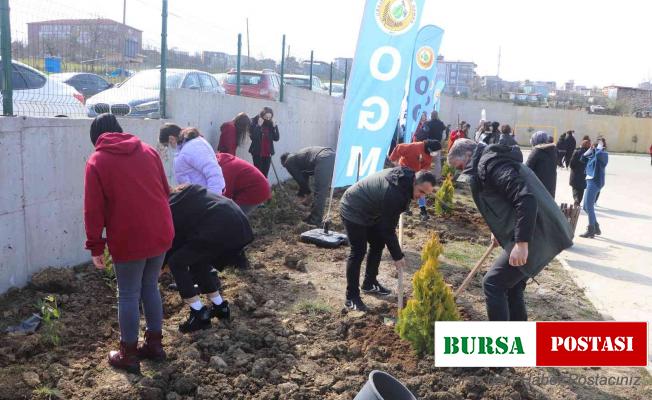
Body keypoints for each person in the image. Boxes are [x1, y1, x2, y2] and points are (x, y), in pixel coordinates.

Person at [84, 114, 174, 373]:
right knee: (150, 286)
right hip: (160, 231)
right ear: (120, 130)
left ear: (96, 139)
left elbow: (93, 210)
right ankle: (155, 345)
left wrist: (95, 246)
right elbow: (165, 190)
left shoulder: (97, 161)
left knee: (128, 293)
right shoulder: (147, 150)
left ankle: (129, 353)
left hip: (129, 237)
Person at [447, 139, 573, 321]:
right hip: (538, 228)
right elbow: (506, 201)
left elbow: (525, 199)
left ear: (468, 155)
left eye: (460, 166)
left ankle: (501, 343)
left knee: (493, 284)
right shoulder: (489, 162)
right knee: (512, 286)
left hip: (537, 231)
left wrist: (521, 244)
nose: (461, 171)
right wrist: (497, 230)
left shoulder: (492, 164)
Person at [339, 167, 437, 311]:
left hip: (373, 209)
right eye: (421, 192)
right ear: (414, 181)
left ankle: (369, 283)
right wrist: (397, 256)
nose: (422, 197)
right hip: (353, 207)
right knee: (358, 251)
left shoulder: (406, 182)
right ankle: (351, 296)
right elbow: (387, 229)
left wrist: (396, 252)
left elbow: (387, 225)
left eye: (426, 195)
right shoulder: (395, 194)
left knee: (378, 243)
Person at [166, 184, 253, 332]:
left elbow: (173, 240)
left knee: (176, 262)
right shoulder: (184, 193)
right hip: (237, 219)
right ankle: (220, 307)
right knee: (198, 261)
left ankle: (199, 314)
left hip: (220, 225)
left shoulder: (171, 206)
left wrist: (162, 263)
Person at [159, 125, 225, 195]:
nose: (167, 148)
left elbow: (213, 172)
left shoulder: (193, 147)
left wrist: (213, 198)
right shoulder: (187, 147)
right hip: (200, 197)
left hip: (206, 198)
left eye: (166, 145)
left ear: (171, 139)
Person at [280, 146, 336, 226]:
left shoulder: (288, 162)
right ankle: (313, 216)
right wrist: (303, 193)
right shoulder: (298, 158)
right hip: (330, 155)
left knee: (320, 192)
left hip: (324, 158)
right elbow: (304, 179)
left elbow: (300, 180)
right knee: (319, 190)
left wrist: (308, 194)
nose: (287, 169)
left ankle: (315, 221)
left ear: (283, 162)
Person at [389, 139, 442, 220]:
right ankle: (405, 208)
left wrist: (422, 177)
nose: (434, 154)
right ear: (429, 148)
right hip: (404, 171)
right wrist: (393, 161)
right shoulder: (414, 147)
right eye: (434, 151)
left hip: (416, 174)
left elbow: (425, 167)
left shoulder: (429, 155)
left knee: (421, 191)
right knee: (405, 190)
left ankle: (423, 211)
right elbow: (399, 148)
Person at [579, 138, 609, 238]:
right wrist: (590, 150)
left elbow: (600, 157)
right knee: (585, 207)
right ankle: (596, 227)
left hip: (595, 182)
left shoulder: (603, 154)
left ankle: (591, 229)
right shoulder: (594, 153)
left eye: (596, 146)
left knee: (589, 206)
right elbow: (582, 159)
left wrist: (599, 148)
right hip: (590, 180)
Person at [249, 107, 280, 177]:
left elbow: (276, 138)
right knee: (258, 175)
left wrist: (275, 127)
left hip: (267, 154)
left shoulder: (270, 124)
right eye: (266, 117)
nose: (268, 119)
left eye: (270, 117)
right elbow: (253, 137)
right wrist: (258, 126)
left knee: (265, 174)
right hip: (257, 153)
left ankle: (263, 188)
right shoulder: (254, 122)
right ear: (262, 115)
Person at [415, 110, 447, 179]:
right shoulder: (440, 123)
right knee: (437, 161)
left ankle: (422, 176)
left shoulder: (428, 123)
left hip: (428, 145)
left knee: (425, 160)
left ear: (431, 116)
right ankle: (437, 176)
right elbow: (445, 128)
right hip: (436, 145)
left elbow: (422, 132)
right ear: (437, 116)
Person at [525, 131, 558, 197]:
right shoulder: (553, 150)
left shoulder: (536, 151)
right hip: (550, 185)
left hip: (537, 185)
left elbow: (527, 168)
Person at [569, 138, 591, 205]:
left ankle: (576, 199)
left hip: (575, 173)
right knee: (581, 189)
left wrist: (573, 168)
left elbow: (572, 163)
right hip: (584, 173)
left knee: (575, 188)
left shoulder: (577, 152)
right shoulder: (590, 154)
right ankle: (578, 201)